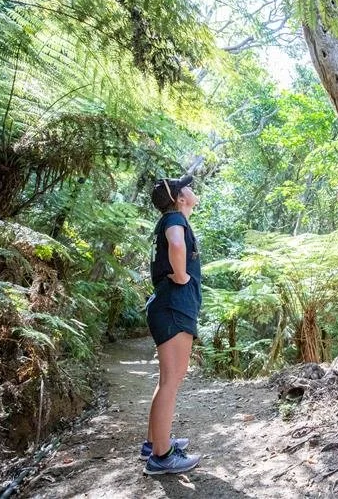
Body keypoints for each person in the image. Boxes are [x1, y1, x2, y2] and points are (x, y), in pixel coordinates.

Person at [141, 174, 202, 475]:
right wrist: (181, 276)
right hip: (174, 307)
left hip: (167, 305)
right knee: (172, 379)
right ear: (179, 199)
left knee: (166, 379)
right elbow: (176, 245)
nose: (192, 190)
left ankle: (154, 443)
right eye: (187, 187)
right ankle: (161, 457)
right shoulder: (175, 220)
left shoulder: (169, 219)